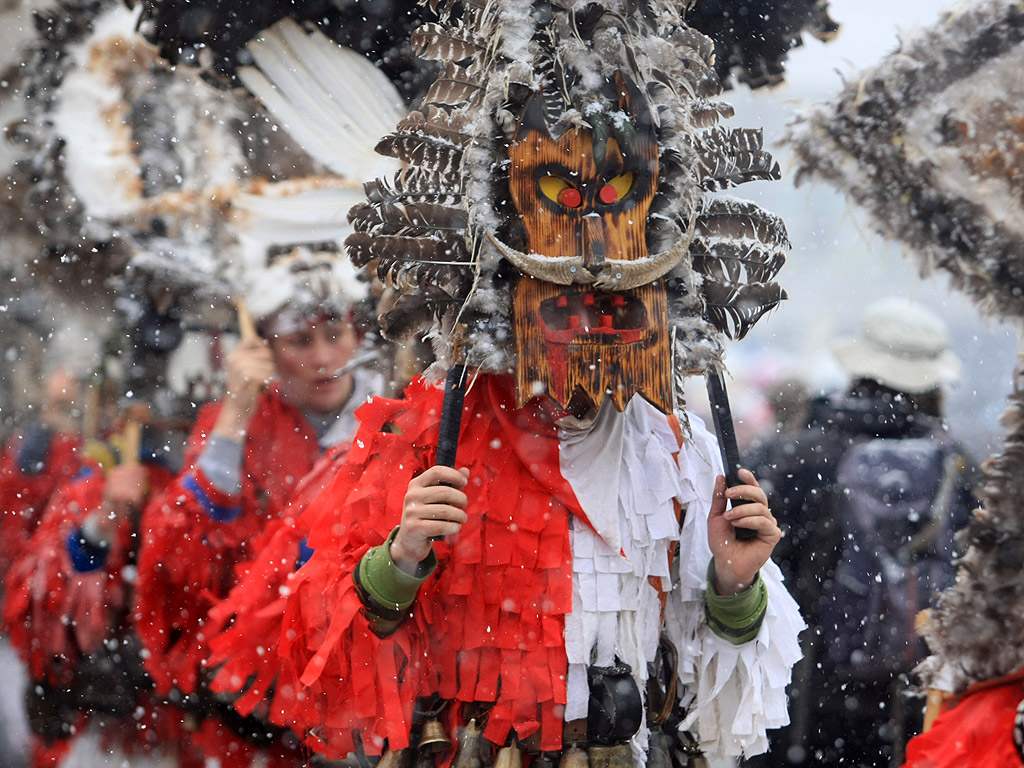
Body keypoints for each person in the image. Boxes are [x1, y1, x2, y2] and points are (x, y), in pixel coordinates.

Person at [133, 245, 380, 768]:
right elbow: (173, 556)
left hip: (368, 708)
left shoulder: (397, 416)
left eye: (335, 335)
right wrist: (236, 413)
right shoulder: (239, 418)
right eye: (299, 340)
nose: (321, 357)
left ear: (359, 334)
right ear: (263, 346)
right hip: (253, 717)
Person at [742, 297, 980, 768]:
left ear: (858, 368)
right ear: (933, 382)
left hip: (803, 692)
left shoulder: (795, 456)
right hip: (912, 697)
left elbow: (751, 569)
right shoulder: (958, 467)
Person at [0, 369, 84, 581]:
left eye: (63, 407)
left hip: (52, 568)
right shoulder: (25, 445)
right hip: (22, 563)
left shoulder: (77, 453)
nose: (52, 415)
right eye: (51, 405)